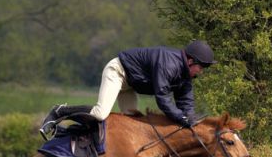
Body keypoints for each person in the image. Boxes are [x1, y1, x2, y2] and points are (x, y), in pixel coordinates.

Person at [41, 40, 216, 137]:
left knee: (132, 122)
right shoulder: (168, 64)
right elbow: (163, 99)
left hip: (130, 83)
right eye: (202, 67)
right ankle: (59, 111)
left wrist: (192, 120)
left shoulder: (185, 75)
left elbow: (186, 102)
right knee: (101, 113)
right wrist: (182, 118)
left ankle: (75, 134)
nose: (201, 71)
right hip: (118, 71)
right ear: (190, 60)